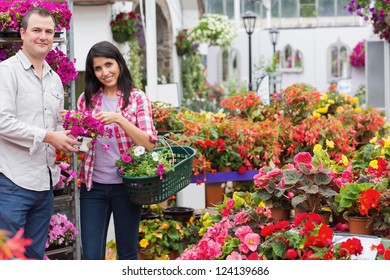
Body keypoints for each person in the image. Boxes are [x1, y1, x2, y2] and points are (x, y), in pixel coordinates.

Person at [0, 7, 80, 260]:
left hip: (44, 184)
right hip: (12, 182)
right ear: (22, 33)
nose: (43, 36)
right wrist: (48, 136)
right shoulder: (6, 72)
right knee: (8, 260)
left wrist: (69, 138)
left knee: (34, 258)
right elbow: (2, 121)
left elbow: (53, 127)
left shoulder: (55, 79)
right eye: (36, 30)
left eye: (48, 31)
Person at [77, 41, 157, 260]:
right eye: (98, 68)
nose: (105, 72)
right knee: (92, 256)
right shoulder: (86, 100)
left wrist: (119, 119)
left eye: (109, 64)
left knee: (127, 254)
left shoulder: (136, 98)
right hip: (93, 188)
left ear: (119, 63)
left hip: (127, 187)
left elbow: (149, 143)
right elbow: (82, 145)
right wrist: (73, 128)